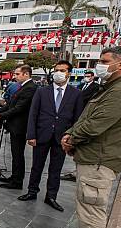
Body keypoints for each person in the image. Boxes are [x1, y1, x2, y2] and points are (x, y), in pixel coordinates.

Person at [52, 46, 121, 228]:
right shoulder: (113, 86)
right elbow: (88, 116)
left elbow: (97, 124)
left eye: (104, 60)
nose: (98, 65)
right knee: (86, 204)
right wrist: (71, 133)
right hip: (94, 156)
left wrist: (72, 138)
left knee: (92, 208)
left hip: (101, 159)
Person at [21, 61, 83, 211]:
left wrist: (72, 138)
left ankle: (51, 196)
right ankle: (32, 191)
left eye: (62, 70)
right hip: (42, 135)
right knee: (36, 166)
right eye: (56, 70)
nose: (58, 73)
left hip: (62, 138)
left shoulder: (76, 94)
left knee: (56, 168)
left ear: (69, 73)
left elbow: (78, 118)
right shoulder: (42, 91)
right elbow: (33, 114)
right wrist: (31, 135)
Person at [0, 65, 37, 190]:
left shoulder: (30, 88)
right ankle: (15, 176)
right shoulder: (22, 87)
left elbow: (19, 108)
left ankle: (17, 181)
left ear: (26, 74)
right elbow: (11, 104)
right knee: (15, 154)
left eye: (17, 74)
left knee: (18, 154)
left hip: (19, 126)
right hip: (14, 125)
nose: (14, 76)